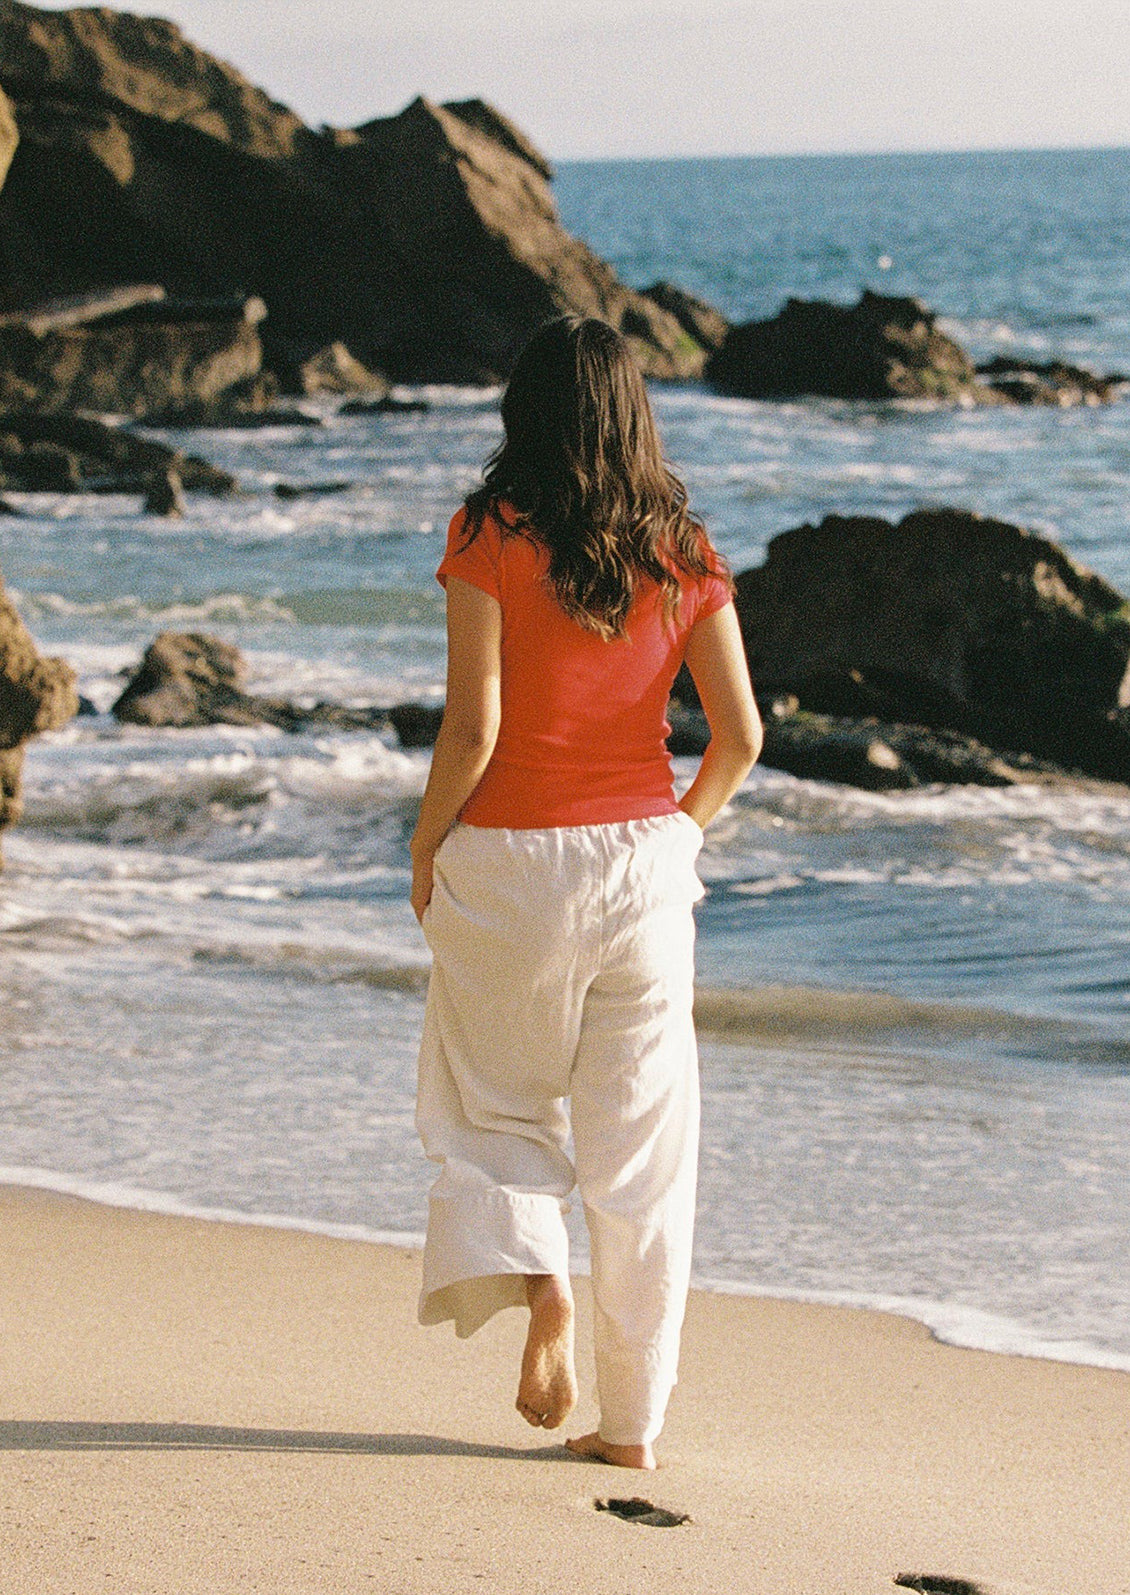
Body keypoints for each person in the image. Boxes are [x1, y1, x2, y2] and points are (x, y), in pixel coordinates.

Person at [410, 315, 762, 1469]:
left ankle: (541, 1284)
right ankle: (631, 1426)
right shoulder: (685, 550)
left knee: (491, 1110)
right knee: (642, 1160)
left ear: (526, 410)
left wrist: (425, 845)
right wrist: (673, 835)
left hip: (511, 864)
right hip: (642, 869)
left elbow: (473, 727)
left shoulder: (489, 530)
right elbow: (739, 738)